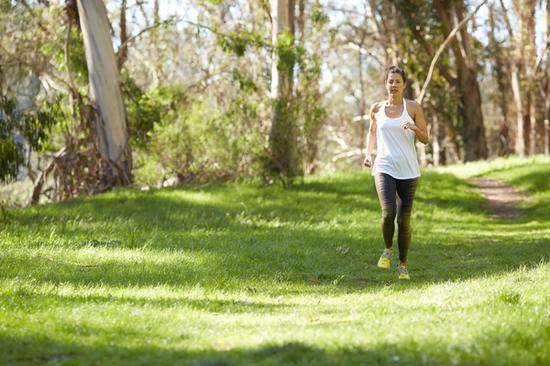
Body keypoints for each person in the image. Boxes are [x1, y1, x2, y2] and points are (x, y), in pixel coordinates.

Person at [363, 66, 429, 280]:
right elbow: (372, 132)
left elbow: (425, 138)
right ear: (386, 84)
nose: (393, 85)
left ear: (404, 85)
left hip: (409, 169)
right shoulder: (376, 109)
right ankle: (387, 249)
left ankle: (403, 264)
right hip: (384, 165)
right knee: (388, 212)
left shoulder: (413, 108)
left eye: (397, 81)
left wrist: (413, 127)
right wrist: (368, 154)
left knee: (404, 220)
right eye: (390, 81)